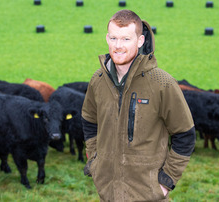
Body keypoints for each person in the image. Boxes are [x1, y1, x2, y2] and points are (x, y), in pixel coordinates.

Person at [81, 9, 196, 201]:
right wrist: (95, 161)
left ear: (140, 41)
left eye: (126, 39)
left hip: (148, 195)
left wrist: (166, 180)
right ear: (107, 38)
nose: (118, 46)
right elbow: (89, 121)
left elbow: (185, 133)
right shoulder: (98, 80)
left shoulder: (162, 83)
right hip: (107, 194)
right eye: (113, 38)